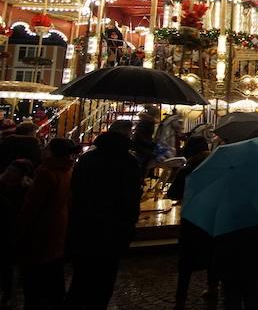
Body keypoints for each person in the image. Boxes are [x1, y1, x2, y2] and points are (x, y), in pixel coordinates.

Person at [64, 120, 142, 309]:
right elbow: (130, 198)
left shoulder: (88, 158)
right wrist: (130, 225)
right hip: (112, 227)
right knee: (105, 277)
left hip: (83, 223)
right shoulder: (128, 162)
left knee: (81, 275)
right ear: (126, 135)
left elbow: (75, 187)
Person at [14, 137, 81, 310]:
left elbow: (33, 205)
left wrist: (19, 229)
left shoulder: (47, 171)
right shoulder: (68, 169)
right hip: (59, 223)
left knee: (34, 272)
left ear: (54, 152)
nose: (43, 149)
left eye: (47, 148)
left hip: (42, 227)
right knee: (52, 268)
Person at [167, 136, 217, 310]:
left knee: (187, 258)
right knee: (212, 252)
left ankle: (181, 297)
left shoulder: (187, 170)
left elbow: (173, 193)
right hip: (211, 215)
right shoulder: (216, 167)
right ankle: (213, 287)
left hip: (191, 216)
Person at [0, 159, 33, 309]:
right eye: (9, 169)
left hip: (7, 230)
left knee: (5, 265)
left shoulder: (23, 189)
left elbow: (17, 210)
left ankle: (7, 294)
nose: (9, 173)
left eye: (14, 171)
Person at [132, 104, 160, 179]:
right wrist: (148, 142)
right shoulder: (145, 122)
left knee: (155, 153)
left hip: (144, 143)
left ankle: (150, 172)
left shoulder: (149, 122)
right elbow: (139, 135)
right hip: (139, 144)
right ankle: (142, 174)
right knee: (148, 154)